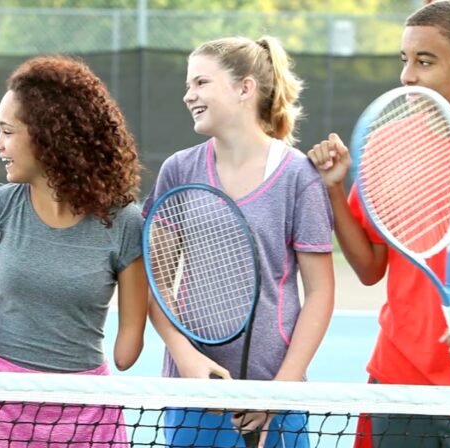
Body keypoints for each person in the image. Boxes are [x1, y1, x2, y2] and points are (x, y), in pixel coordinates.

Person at [307, 1, 450, 446]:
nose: (408, 75)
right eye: (405, 60)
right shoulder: (387, 144)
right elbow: (370, 269)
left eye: (424, 61)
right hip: (398, 387)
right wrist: (333, 190)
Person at [0, 55, 148, 447]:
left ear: (49, 137)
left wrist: (151, 267)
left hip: (87, 414)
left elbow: (126, 354)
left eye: (7, 131)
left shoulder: (127, 224)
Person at [143, 35, 335, 447]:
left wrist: (277, 395)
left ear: (245, 88)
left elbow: (320, 293)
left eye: (200, 83)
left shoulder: (299, 177)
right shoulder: (178, 170)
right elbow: (154, 280)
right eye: (188, 85)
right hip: (193, 396)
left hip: (275, 395)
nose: (188, 95)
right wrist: (187, 358)